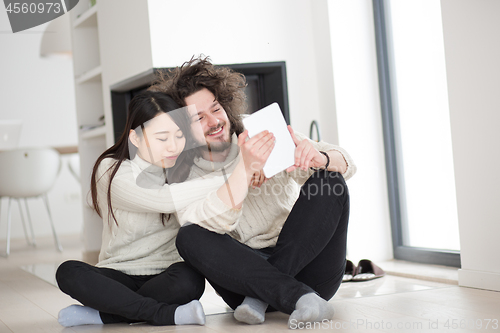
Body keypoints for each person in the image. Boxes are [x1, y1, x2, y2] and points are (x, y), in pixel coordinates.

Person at [150, 56, 357, 328]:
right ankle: (293, 296)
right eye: (199, 118)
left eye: (216, 109)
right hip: (244, 281)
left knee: (330, 182)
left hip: (306, 274)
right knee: (189, 236)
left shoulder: (256, 128)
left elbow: (348, 165)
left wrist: (321, 159)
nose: (214, 121)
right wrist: (244, 172)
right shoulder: (181, 172)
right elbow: (207, 228)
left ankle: (272, 297)